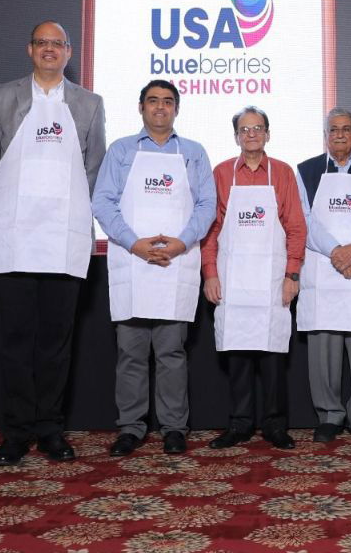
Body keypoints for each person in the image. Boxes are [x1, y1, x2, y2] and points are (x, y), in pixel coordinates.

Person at [0, 21, 105, 466]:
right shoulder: (1, 96)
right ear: (30, 49)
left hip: (63, 239)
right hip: (14, 239)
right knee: (15, 340)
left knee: (55, 342)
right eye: (42, 43)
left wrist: (60, 210)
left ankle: (50, 428)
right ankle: (15, 432)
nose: (50, 50)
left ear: (69, 52)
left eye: (58, 44)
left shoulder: (89, 103)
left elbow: (93, 168)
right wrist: (16, 210)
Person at [92, 80, 215, 456]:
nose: (160, 108)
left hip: (175, 263)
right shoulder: (121, 150)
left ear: (177, 109)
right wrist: (135, 243)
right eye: (152, 101)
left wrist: (179, 243)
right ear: (140, 107)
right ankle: (131, 427)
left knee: (171, 353)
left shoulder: (193, 152)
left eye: (167, 102)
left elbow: (206, 205)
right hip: (133, 262)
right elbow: (103, 202)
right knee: (130, 352)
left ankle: (173, 427)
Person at [201, 106, 307, 449]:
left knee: (273, 356)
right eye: (245, 129)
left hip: (273, 278)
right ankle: (240, 424)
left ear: (268, 134)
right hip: (232, 278)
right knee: (237, 355)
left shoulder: (283, 173)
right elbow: (211, 230)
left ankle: (275, 425)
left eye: (257, 128)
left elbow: (295, 227)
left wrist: (292, 274)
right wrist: (211, 273)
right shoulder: (220, 174)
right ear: (235, 136)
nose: (251, 134)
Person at [295, 108, 351, 443]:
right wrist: (336, 251)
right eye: (333, 129)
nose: (339, 135)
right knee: (324, 347)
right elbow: (303, 220)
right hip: (324, 268)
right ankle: (329, 415)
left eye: (346, 129)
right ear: (325, 135)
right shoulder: (306, 170)